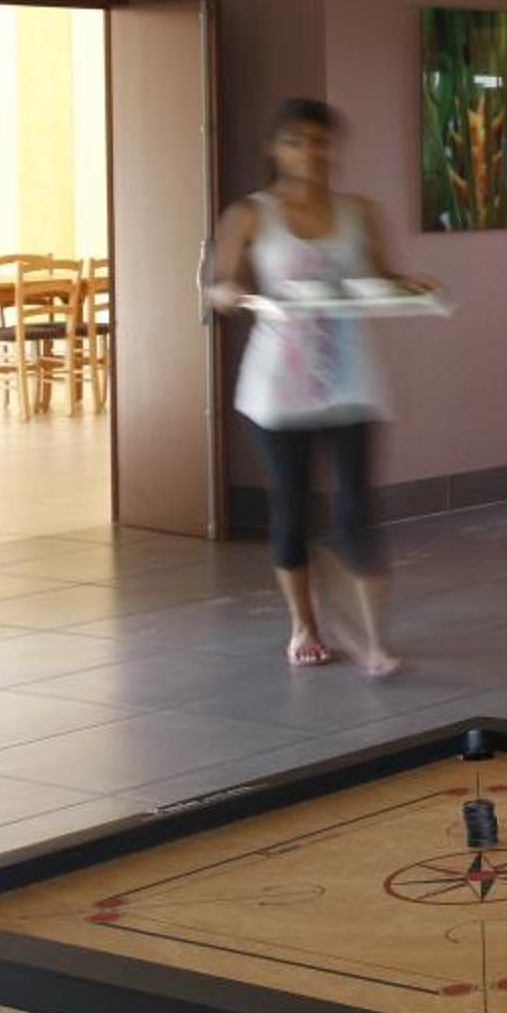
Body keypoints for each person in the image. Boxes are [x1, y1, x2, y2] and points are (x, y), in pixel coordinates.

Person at [207, 98, 434, 675]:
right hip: (278, 384)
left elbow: (377, 277)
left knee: (357, 506)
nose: (310, 152)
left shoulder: (360, 212)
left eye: (320, 141)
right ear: (275, 148)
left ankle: (374, 638)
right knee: (291, 508)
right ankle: (303, 625)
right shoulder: (251, 214)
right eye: (297, 141)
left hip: (351, 379)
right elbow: (220, 284)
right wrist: (230, 295)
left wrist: (406, 285)